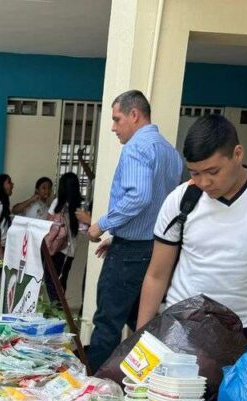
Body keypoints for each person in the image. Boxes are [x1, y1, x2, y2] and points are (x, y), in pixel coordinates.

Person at [138, 114, 247, 346]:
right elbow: (156, 275)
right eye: (194, 173)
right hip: (184, 325)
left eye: (213, 172)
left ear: (238, 154)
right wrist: (140, 339)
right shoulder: (181, 200)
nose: (204, 183)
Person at [79, 90, 183, 370]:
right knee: (144, 323)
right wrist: (119, 237)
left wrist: (102, 224)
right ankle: (141, 380)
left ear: (134, 115)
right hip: (158, 249)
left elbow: (138, 197)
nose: (113, 127)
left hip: (132, 253)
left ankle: (97, 388)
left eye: (117, 119)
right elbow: (158, 208)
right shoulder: (169, 152)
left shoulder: (137, 147)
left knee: (107, 322)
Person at [47, 171, 83, 299]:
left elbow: (48, 222)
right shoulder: (78, 205)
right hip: (70, 251)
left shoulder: (58, 202)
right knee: (62, 280)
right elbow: (82, 229)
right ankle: (60, 311)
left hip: (56, 248)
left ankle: (55, 311)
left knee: (51, 280)